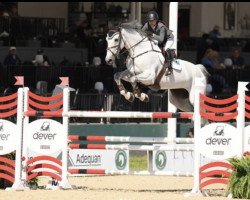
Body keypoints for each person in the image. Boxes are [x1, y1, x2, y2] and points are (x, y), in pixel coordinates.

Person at [141, 10, 175, 75]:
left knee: (166, 49)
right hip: (157, 39)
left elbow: (161, 40)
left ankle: (170, 67)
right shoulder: (146, 25)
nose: (151, 22)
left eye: (153, 20)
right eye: (149, 21)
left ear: (156, 20)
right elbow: (141, 33)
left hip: (168, 39)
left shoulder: (161, 26)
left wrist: (152, 35)